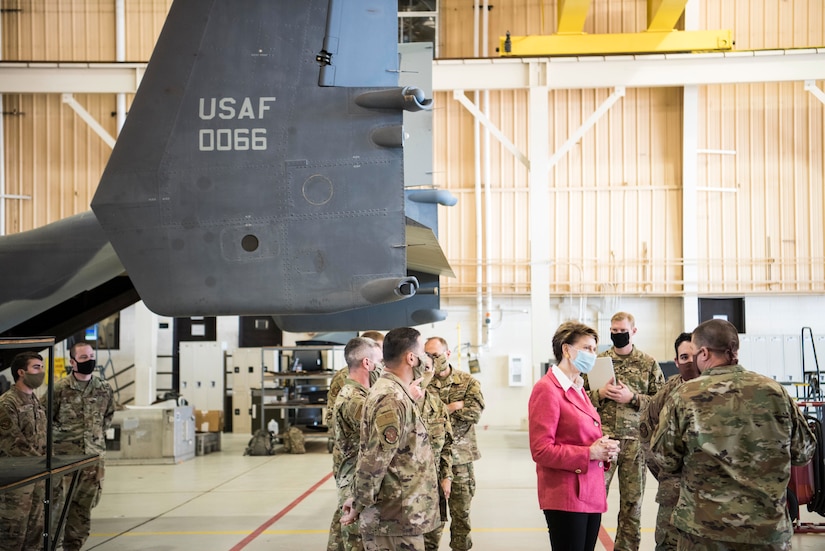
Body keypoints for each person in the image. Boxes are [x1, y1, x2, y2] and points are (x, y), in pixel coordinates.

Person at [650, 319, 817, 549]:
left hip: (705, 532)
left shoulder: (684, 395)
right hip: (766, 531)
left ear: (704, 353)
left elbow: (664, 458)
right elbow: (804, 452)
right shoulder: (775, 391)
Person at [340, 327, 439, 551]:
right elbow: (375, 458)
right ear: (411, 358)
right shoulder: (390, 397)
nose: (427, 358)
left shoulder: (398, 392)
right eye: (423, 351)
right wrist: (358, 500)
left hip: (402, 515)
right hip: (394, 519)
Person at [529, 321, 620, 551]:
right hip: (566, 495)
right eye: (587, 348)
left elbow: (582, 435)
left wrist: (604, 449)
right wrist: (589, 452)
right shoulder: (547, 389)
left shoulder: (578, 387)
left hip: (589, 491)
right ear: (567, 350)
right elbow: (541, 450)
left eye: (594, 349)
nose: (593, 354)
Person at [585, 311, 664, 551]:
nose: (618, 334)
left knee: (632, 505)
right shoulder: (597, 361)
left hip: (635, 443)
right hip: (604, 442)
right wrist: (598, 394)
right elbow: (579, 398)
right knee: (594, 502)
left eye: (622, 330)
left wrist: (633, 398)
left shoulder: (648, 363)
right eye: (614, 331)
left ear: (634, 331)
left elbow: (662, 403)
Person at [49, 341, 116, 551]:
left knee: (83, 508)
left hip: (93, 460)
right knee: (57, 507)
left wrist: (93, 440)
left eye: (91, 356)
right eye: (84, 357)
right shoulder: (60, 389)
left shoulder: (104, 388)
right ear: (73, 361)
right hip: (64, 461)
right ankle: (51, 545)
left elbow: (107, 417)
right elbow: (45, 419)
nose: (89, 360)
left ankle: (74, 546)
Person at [638, 332, 700, 551]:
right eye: (684, 357)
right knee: (668, 545)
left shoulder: (720, 390)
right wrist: (665, 472)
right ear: (676, 361)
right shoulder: (668, 392)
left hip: (711, 494)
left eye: (694, 356)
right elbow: (645, 432)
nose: (690, 362)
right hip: (673, 491)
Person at [425, 336, 484, 551]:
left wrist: (440, 411)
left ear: (448, 354)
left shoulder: (468, 382)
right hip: (430, 462)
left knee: (461, 518)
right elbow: (420, 418)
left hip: (461, 460)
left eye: (436, 355)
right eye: (428, 355)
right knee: (430, 521)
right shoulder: (421, 383)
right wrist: (453, 407)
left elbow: (474, 414)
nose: (432, 359)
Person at [327, 331, 384, 551]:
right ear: (367, 363)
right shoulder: (354, 399)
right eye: (380, 361)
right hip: (355, 478)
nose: (384, 367)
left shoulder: (361, 394)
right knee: (357, 539)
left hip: (357, 475)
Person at [0, 352, 47, 551]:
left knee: (34, 535)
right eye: (36, 367)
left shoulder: (34, 400)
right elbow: (13, 444)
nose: (41, 372)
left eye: (42, 367)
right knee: (12, 538)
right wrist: (44, 464)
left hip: (37, 479)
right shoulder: (7, 403)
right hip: (17, 484)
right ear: (21, 372)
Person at [411, 357, 453, 551]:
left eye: (427, 368)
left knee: (431, 544)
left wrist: (447, 477)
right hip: (405, 494)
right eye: (420, 368)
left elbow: (447, 446)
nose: (423, 373)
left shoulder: (437, 405)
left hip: (433, 491)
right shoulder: (397, 401)